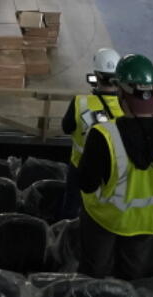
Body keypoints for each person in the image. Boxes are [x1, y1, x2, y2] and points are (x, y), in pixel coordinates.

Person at [78, 54, 153, 279]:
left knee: (94, 274)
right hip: (148, 221)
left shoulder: (104, 135)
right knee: (131, 275)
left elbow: (87, 184)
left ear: (120, 92)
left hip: (104, 219)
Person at [60, 48, 123, 218]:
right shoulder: (128, 107)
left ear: (96, 75)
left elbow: (66, 127)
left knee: (71, 207)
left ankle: (66, 234)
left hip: (80, 166)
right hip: (113, 170)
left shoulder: (80, 102)